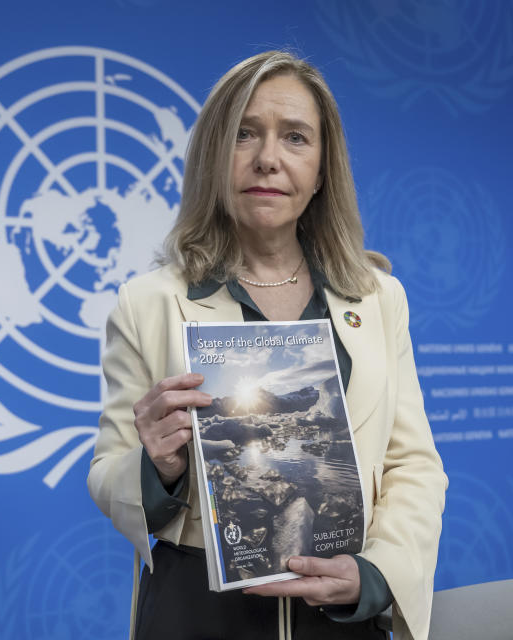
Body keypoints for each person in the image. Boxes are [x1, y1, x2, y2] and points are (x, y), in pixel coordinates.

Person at [87, 50, 448, 640]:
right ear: (212, 156)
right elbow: (107, 475)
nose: (268, 159)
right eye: (245, 134)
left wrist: (378, 573)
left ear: (323, 169)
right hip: (197, 612)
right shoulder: (147, 302)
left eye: (296, 138)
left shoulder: (379, 298)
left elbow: (415, 464)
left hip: (341, 615)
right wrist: (158, 467)